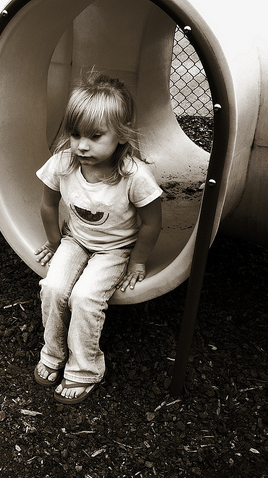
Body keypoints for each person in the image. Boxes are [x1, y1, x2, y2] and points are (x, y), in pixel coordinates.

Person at [33, 71, 163, 404]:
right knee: (53, 288)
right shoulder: (64, 163)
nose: (82, 145)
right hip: (75, 239)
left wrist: (137, 261)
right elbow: (48, 204)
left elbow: (151, 222)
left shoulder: (133, 175)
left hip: (115, 249)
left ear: (121, 136)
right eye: (75, 134)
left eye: (94, 136)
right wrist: (53, 242)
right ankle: (53, 351)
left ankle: (85, 369)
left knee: (85, 297)